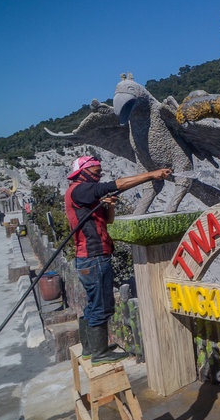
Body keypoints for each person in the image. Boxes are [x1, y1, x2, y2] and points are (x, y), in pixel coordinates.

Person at [65, 156, 172, 365]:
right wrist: (152, 174)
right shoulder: (80, 189)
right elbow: (120, 183)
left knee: (93, 304)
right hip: (94, 257)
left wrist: (110, 205)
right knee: (101, 307)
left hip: (89, 258)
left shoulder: (82, 195)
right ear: (83, 172)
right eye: (96, 173)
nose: (99, 176)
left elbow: (109, 220)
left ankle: (90, 349)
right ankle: (100, 354)